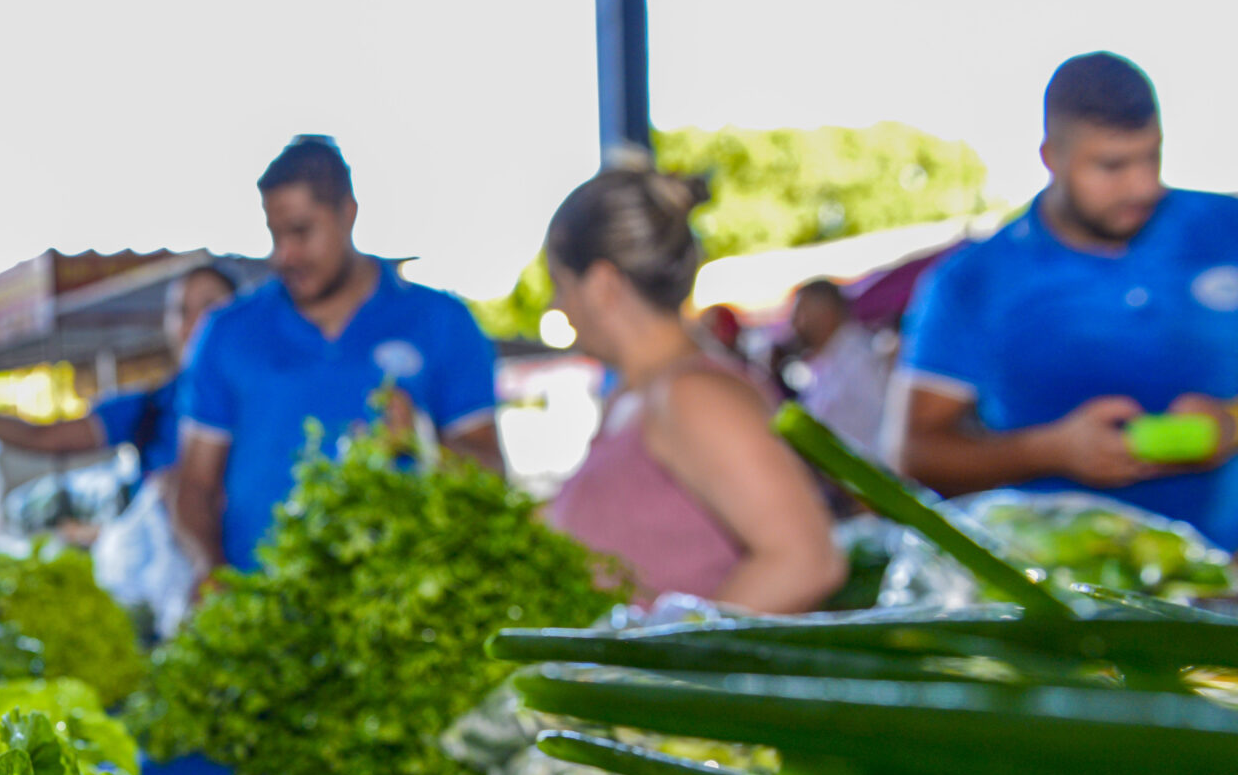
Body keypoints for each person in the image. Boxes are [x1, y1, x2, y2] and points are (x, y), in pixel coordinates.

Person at [893, 52, 1238, 547]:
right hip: (1067, 580)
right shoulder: (971, 282)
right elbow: (913, 452)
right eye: (1112, 165)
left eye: (1152, 156)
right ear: (1051, 156)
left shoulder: (1226, 225)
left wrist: (1232, 423)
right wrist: (1050, 451)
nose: (1144, 185)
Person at [173, 137, 502, 580]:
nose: (284, 255)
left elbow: (493, 477)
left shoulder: (442, 321)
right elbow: (194, 485)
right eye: (274, 235)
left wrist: (422, 440)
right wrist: (209, 570)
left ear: (348, 213)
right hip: (263, 599)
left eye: (301, 232)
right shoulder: (227, 333)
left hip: (401, 600)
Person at [537, 159, 845, 613]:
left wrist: (660, 652)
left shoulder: (693, 395)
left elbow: (807, 560)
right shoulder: (634, 396)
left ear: (602, 284)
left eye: (561, 285)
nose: (557, 306)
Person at [0, 264, 236, 491]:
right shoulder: (150, 408)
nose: (196, 323)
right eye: (181, 311)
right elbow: (44, 436)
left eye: (210, 306)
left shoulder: (265, 394)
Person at [788, 278, 891, 458]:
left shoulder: (861, 358)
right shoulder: (826, 361)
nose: (794, 322)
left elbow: (886, 426)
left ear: (826, 313)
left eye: (801, 312)